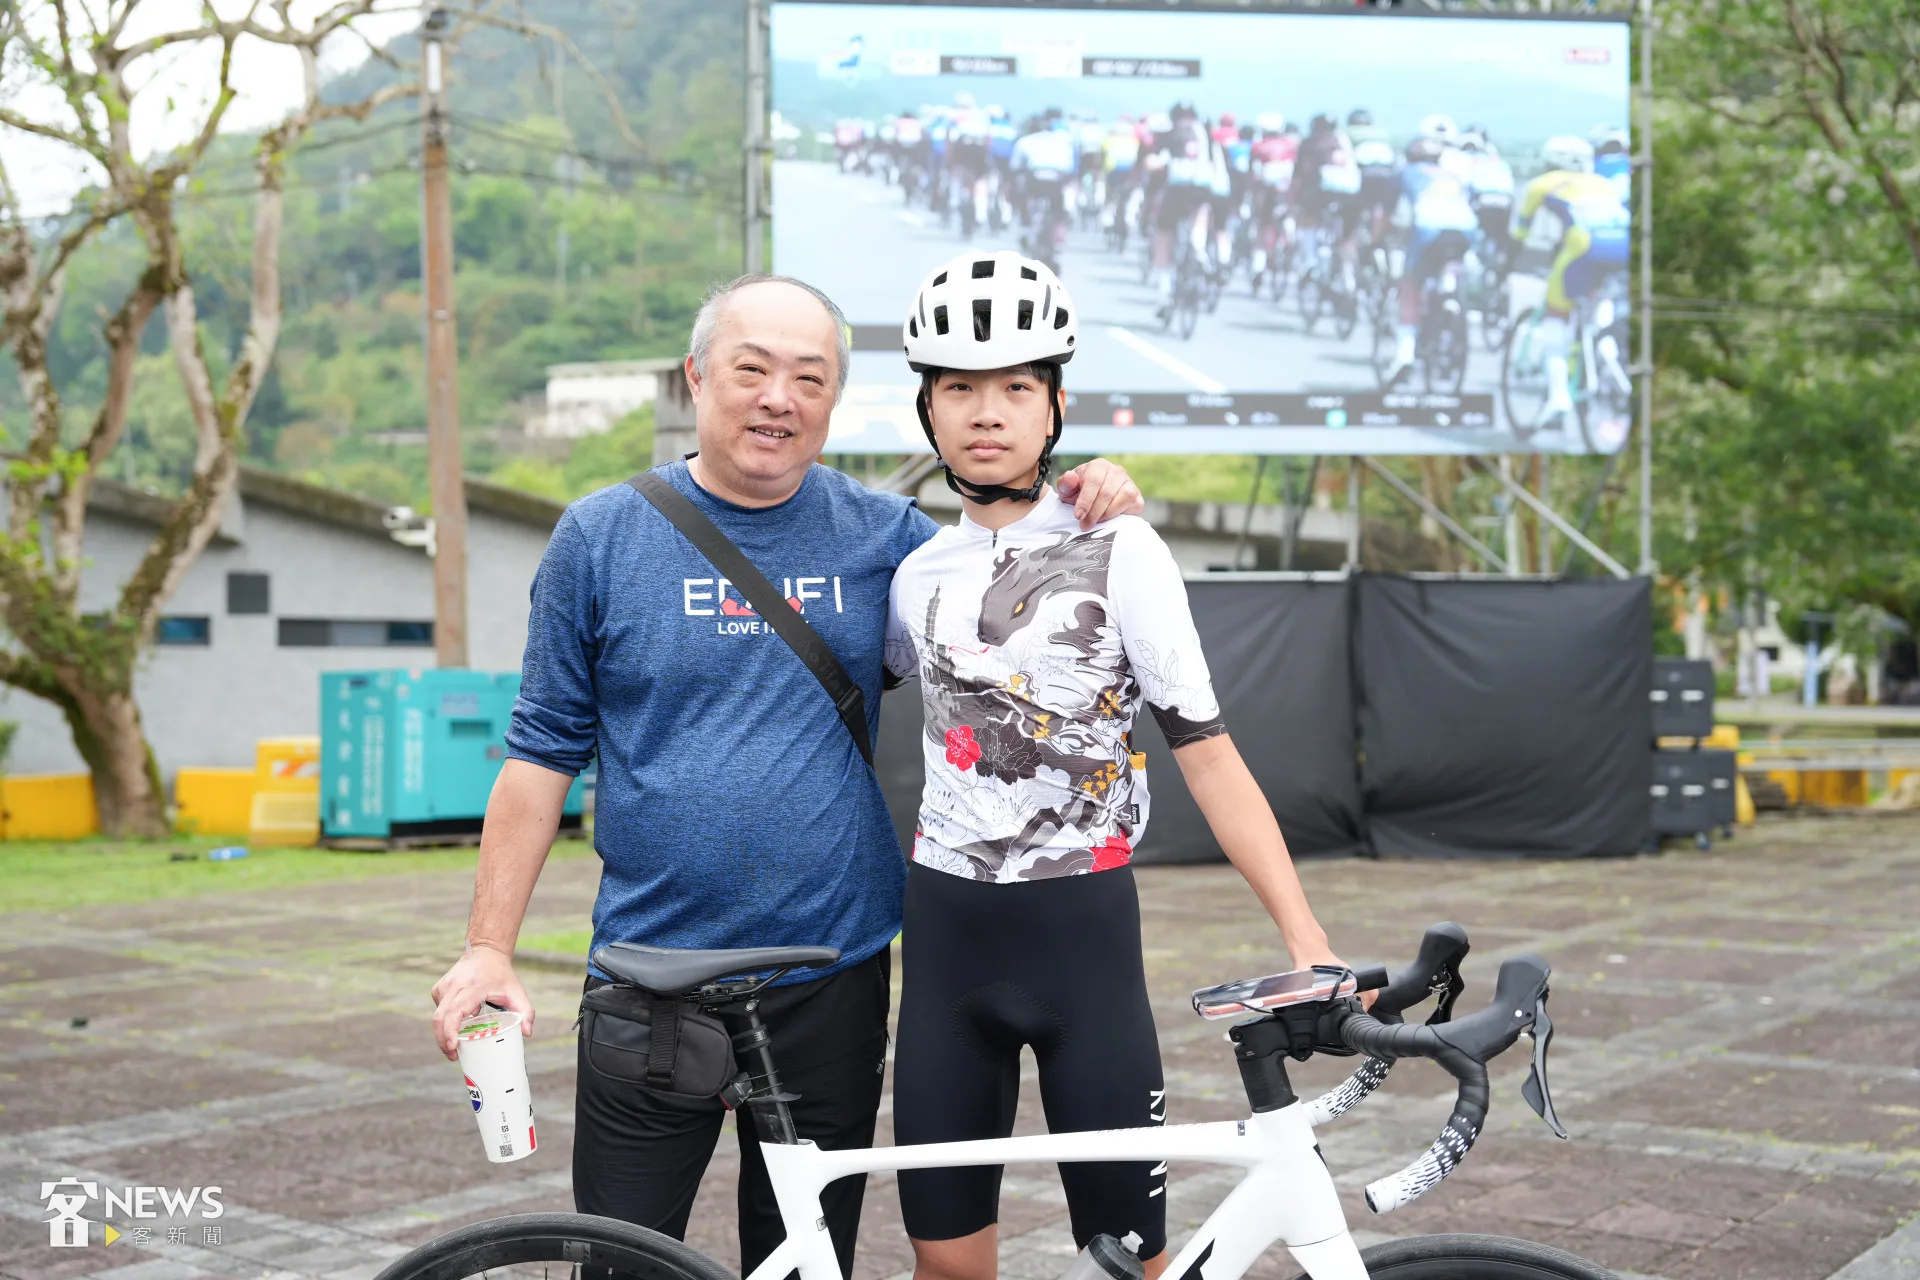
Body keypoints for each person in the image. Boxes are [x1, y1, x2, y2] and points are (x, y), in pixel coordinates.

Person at [427, 274, 1147, 1280]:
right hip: (647, 977)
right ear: (696, 377)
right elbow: (541, 750)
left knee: (808, 1264)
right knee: (621, 1264)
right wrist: (487, 947)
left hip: (829, 975)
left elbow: (1013, 561)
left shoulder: (889, 538)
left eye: (809, 377)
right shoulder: (599, 535)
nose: (779, 398)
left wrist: (1091, 488)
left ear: (835, 398)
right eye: (752, 369)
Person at [885, 250, 1352, 1280]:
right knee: (947, 1264)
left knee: (1131, 1262)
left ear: (1056, 405)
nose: (987, 411)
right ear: (927, 409)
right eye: (959, 388)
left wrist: (1305, 934)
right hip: (946, 940)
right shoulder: (912, 572)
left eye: (1017, 386)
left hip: (1084, 941)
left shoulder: (1125, 550)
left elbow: (1208, 751)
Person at [1511, 134, 1630, 425]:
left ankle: (1558, 397)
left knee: (1556, 315)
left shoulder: (1543, 183)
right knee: (1599, 302)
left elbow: (1520, 233)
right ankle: (1607, 353)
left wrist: (1507, 262)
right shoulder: (1602, 183)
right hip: (1623, 246)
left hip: (1585, 247)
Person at [1384, 136, 1479, 387]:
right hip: (1465, 230)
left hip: (1428, 229)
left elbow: (1386, 213)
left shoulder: (1405, 172)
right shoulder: (1452, 175)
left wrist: (1378, 238)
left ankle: (1404, 355)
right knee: (1449, 268)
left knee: (1410, 286)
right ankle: (1449, 305)